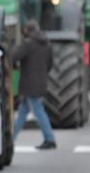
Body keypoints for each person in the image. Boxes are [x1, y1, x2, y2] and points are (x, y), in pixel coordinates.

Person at [10, 20, 57, 150]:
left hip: (29, 83)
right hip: (41, 82)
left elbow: (14, 56)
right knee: (22, 113)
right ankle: (11, 139)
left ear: (28, 31)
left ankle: (50, 139)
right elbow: (50, 63)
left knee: (38, 111)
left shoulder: (28, 43)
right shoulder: (47, 43)